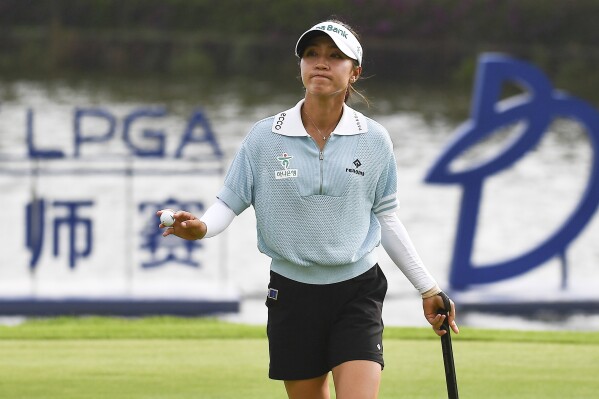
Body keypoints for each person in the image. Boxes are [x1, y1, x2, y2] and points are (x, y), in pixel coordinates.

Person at [157, 18, 459, 399]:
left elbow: (386, 218)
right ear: (300, 65)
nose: (321, 62)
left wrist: (427, 288)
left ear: (354, 73)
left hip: (357, 292)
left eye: (335, 57)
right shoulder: (265, 137)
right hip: (293, 293)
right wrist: (200, 227)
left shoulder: (375, 140)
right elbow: (228, 204)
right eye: (312, 54)